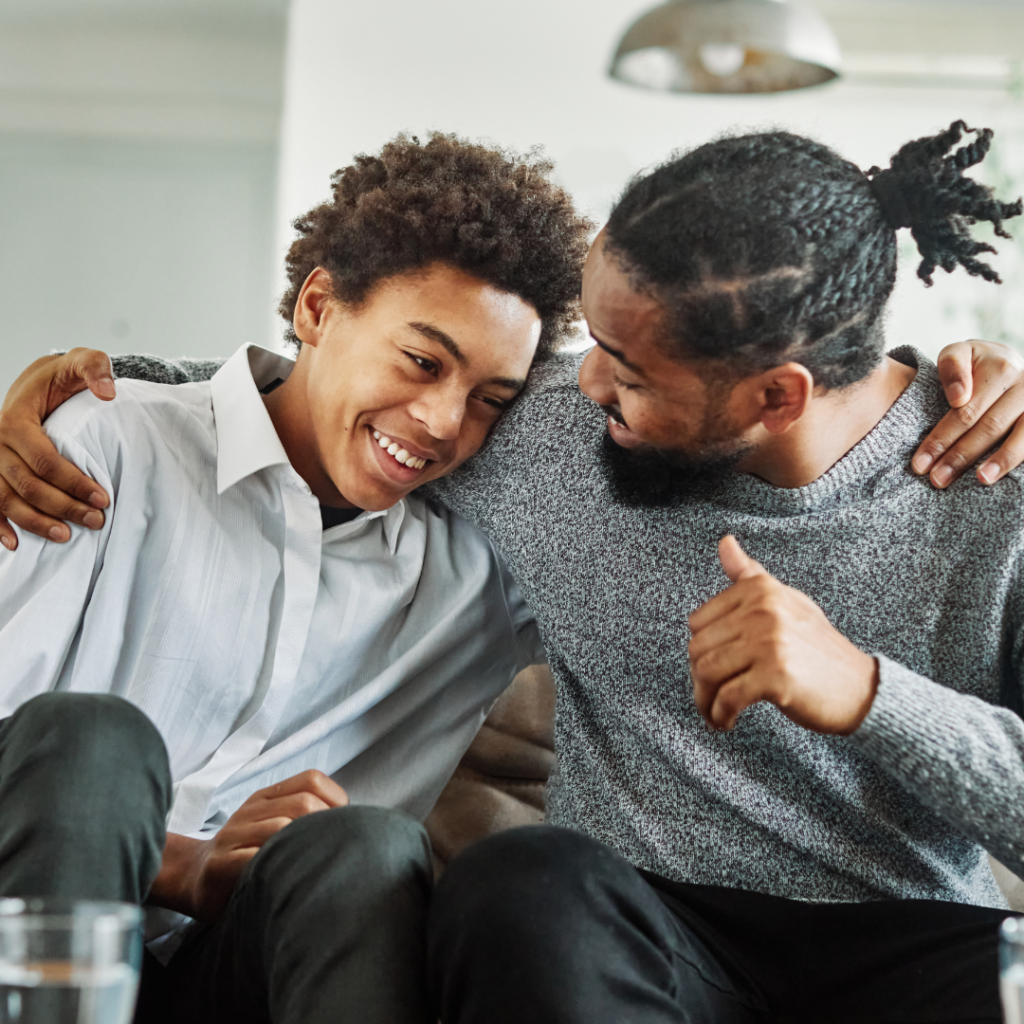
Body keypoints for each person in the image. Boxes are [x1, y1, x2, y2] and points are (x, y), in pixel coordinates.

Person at [3, 120, 1024, 1023]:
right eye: (592, 347)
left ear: (775, 397)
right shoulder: (555, 441)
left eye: (625, 373)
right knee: (515, 877)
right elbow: (316, 399)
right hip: (636, 928)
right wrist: (86, 392)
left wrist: (873, 695)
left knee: (377, 852)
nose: (578, 390)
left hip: (910, 940)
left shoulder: (997, 483)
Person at [0, 131, 591, 1024]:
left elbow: (677, 420)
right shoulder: (95, 446)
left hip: (237, 977)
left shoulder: (485, 574)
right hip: (33, 943)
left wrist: (884, 390)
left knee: (361, 845)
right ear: (319, 306)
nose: (440, 422)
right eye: (421, 361)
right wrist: (182, 865)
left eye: (489, 399)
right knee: (94, 741)